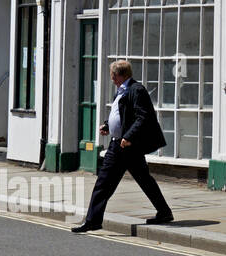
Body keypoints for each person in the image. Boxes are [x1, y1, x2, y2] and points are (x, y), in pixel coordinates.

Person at [72, 59, 174, 232]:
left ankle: (93, 220)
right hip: (121, 144)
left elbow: (143, 117)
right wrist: (108, 125)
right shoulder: (122, 90)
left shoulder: (137, 90)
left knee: (103, 183)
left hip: (125, 145)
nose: (111, 78)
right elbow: (123, 115)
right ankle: (164, 212)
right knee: (144, 180)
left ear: (120, 75)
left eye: (113, 75)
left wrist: (128, 137)